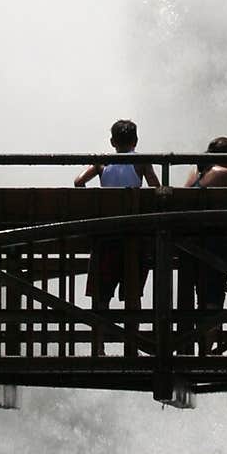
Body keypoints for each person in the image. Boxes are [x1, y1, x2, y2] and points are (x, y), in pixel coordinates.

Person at [74, 119, 160, 342]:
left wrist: (95, 204)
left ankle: (99, 345)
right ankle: (134, 343)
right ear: (136, 141)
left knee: (102, 296)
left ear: (112, 141)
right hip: (133, 237)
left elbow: (78, 182)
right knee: (133, 293)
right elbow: (156, 189)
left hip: (106, 237)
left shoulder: (102, 163)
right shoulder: (141, 162)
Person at [183, 137, 227, 350]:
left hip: (190, 243)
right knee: (214, 299)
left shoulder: (194, 173)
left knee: (201, 297)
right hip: (216, 243)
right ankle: (207, 349)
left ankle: (195, 346)